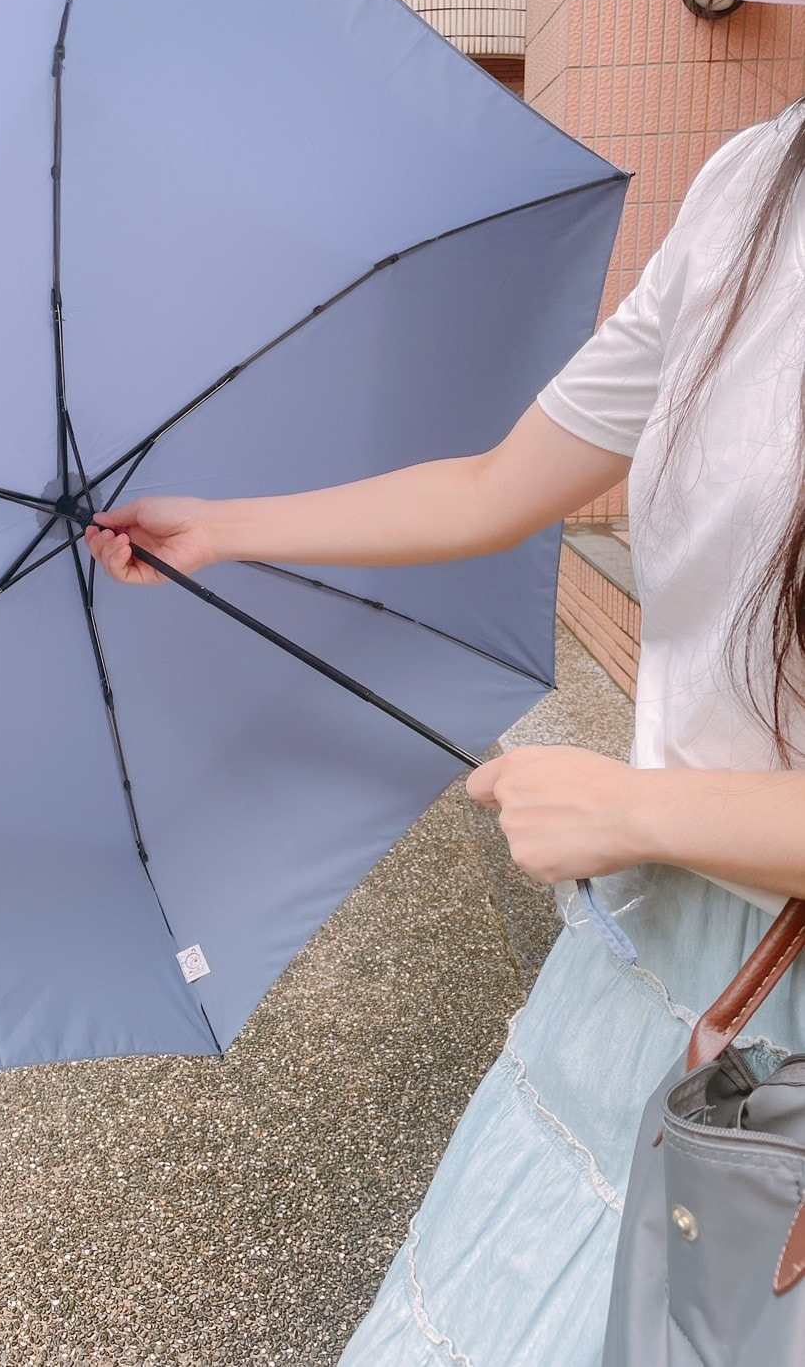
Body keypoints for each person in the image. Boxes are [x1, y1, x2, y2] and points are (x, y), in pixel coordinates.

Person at [87, 95, 805, 1362]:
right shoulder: (754, 181)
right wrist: (222, 526)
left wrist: (636, 807)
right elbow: (493, 484)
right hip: (656, 957)